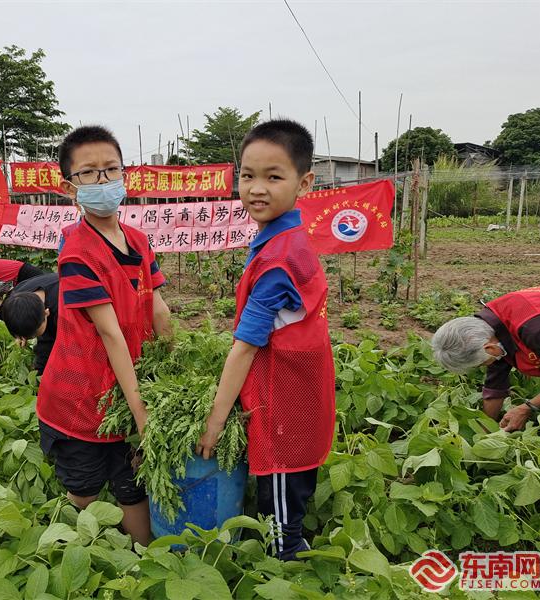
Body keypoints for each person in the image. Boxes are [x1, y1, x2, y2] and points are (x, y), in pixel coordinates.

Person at [196, 119, 335, 561]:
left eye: (273, 177)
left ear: (304, 182)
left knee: (279, 515)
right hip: (300, 393)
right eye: (248, 175)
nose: (257, 189)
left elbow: (245, 347)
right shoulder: (285, 239)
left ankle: (287, 563)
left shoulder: (278, 260)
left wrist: (215, 420)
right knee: (291, 492)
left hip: (283, 405)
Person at [36, 125, 171, 547]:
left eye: (111, 169)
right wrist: (142, 415)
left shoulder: (138, 241)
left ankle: (144, 561)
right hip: (81, 399)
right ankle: (78, 555)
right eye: (89, 173)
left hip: (127, 388)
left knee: (133, 485)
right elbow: (111, 334)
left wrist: (173, 370)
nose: (103, 180)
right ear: (68, 187)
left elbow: (160, 309)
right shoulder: (77, 253)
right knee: (86, 492)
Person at [432, 286, 540, 431]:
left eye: (481, 364)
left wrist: (527, 408)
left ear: (490, 349)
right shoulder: (492, 330)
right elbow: (495, 385)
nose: (486, 365)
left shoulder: (535, 329)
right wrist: (485, 430)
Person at [0, 272, 59, 375]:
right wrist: (17, 335)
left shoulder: (60, 307)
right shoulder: (14, 297)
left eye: (33, 335)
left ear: (46, 313)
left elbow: (49, 343)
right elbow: (0, 320)